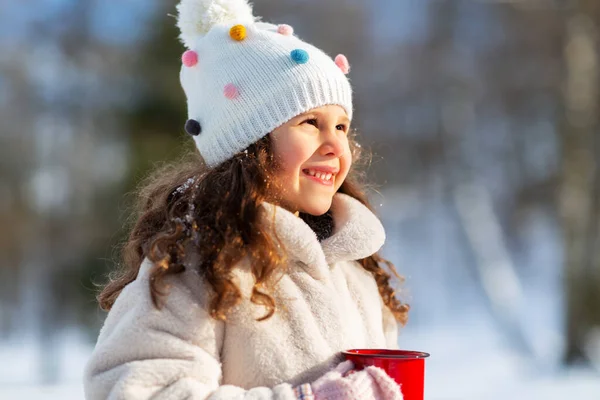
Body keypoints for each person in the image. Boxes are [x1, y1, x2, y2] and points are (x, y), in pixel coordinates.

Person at [83, 0, 410, 399]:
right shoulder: (199, 262)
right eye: (310, 123)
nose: (335, 146)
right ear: (248, 145)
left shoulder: (357, 270)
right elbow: (138, 389)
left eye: (342, 126)